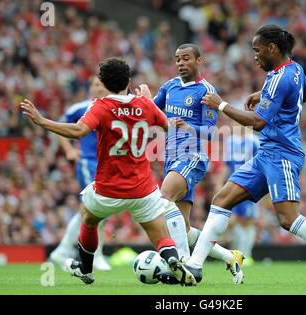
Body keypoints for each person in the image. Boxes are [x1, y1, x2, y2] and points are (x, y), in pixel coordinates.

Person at [186, 25, 306, 286]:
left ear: (272, 48)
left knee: (288, 219)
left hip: (282, 154)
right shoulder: (295, 69)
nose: (255, 56)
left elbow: (259, 122)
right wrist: (267, 95)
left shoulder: (280, 77)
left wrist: (221, 104)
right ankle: (195, 266)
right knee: (222, 199)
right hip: (267, 153)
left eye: (257, 50)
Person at [20, 57, 196, 286]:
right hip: (142, 189)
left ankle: (86, 269)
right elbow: (166, 125)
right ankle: (174, 262)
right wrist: (149, 101)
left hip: (108, 189)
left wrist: (42, 121)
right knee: (160, 234)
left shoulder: (101, 105)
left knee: (89, 219)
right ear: (129, 80)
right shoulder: (144, 104)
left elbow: (78, 130)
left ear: (102, 82)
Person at [137, 43, 244, 284]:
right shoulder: (170, 86)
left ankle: (184, 263)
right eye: (177, 59)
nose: (181, 63)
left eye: (186, 58)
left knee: (164, 199)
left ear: (199, 61)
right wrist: (143, 101)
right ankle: (231, 257)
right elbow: (152, 113)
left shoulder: (205, 90)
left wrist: (188, 127)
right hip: (171, 158)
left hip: (192, 157)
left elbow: (211, 132)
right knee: (183, 228)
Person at [49, 76, 111, 272]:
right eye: (93, 84)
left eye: (100, 85)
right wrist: (68, 150)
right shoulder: (80, 108)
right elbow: (59, 127)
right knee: (96, 208)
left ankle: (62, 250)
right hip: (88, 162)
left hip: (106, 165)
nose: (96, 88)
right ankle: (97, 255)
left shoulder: (112, 108)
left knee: (92, 210)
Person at [221, 124, 260, 265]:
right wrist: (221, 184)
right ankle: (239, 254)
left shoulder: (255, 141)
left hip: (250, 183)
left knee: (247, 220)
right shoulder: (230, 141)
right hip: (233, 184)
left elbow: (261, 163)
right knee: (233, 221)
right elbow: (226, 165)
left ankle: (245, 255)